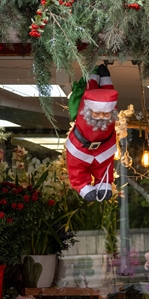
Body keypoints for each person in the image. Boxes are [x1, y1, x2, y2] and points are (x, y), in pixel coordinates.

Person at [65, 64, 118, 202]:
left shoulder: (111, 115)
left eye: (106, 113)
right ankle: (82, 185)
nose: (101, 116)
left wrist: (106, 76)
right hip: (80, 147)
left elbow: (109, 92)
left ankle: (104, 183)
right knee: (76, 166)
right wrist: (95, 74)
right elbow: (90, 90)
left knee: (104, 165)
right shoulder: (85, 108)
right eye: (97, 112)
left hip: (104, 147)